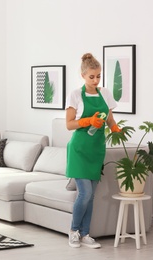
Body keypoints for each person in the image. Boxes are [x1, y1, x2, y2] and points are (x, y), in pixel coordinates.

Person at [65, 53, 121, 249]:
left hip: (96, 149)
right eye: (92, 77)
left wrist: (114, 127)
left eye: (98, 76)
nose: (96, 80)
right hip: (79, 149)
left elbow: (110, 117)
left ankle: (86, 234)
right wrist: (88, 121)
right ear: (83, 75)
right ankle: (73, 231)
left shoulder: (104, 93)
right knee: (85, 193)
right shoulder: (75, 95)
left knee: (92, 195)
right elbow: (69, 124)